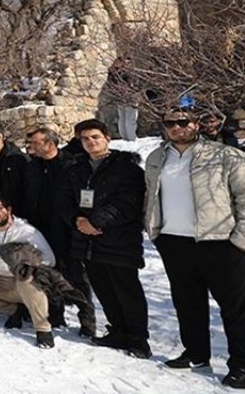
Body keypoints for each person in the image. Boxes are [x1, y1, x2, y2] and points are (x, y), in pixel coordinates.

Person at [144, 108, 245, 389]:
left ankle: (242, 365)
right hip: (174, 241)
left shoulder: (225, 155)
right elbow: (151, 195)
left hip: (219, 242)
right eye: (170, 123)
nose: (177, 127)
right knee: (187, 304)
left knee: (236, 307)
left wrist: (240, 241)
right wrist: (155, 232)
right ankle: (196, 354)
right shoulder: (157, 157)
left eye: (183, 121)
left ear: (196, 124)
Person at [65, 119, 148, 358]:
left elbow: (128, 202)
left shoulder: (127, 168)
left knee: (127, 291)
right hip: (88, 242)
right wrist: (77, 220)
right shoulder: (77, 169)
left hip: (119, 240)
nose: (90, 142)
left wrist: (96, 222)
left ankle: (138, 339)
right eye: (85, 139)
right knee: (104, 289)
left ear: (107, 138)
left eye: (95, 137)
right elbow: (64, 199)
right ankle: (118, 331)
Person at [0, 193, 57, 349]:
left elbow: (50, 259)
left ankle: (43, 329)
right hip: (1, 279)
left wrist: (26, 262)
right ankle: (15, 310)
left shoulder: (27, 231)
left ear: (8, 209)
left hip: (25, 281)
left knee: (28, 279)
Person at [24, 127, 91, 334]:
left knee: (76, 276)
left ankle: (87, 320)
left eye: (35, 142)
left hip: (68, 228)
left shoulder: (71, 165)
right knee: (47, 272)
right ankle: (56, 314)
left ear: (50, 144)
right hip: (41, 229)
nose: (31, 146)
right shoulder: (32, 166)